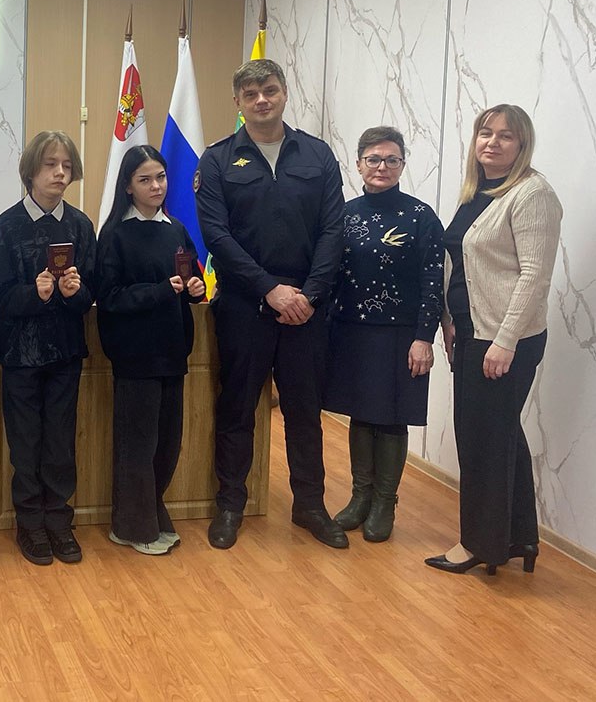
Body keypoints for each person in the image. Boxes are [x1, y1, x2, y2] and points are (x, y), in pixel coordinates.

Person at [195, 59, 347, 550]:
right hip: (245, 305)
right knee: (238, 408)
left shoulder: (318, 155)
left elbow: (333, 229)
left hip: (307, 306)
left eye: (270, 90)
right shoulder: (217, 160)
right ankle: (230, 505)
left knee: (304, 412)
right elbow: (216, 234)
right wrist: (269, 289)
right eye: (251, 93)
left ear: (284, 93)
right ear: (237, 102)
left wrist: (309, 294)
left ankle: (310, 506)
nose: (262, 99)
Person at [426, 104, 562, 576]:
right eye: (486, 133)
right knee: (500, 434)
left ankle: (479, 544)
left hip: (506, 338)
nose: (493, 142)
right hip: (471, 332)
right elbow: (459, 262)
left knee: (482, 441)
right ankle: (520, 536)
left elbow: (534, 275)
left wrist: (505, 341)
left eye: (506, 136)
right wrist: (449, 320)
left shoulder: (532, 194)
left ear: (522, 145)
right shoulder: (478, 192)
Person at [325, 127, 443, 542]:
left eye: (392, 159)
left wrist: (424, 337)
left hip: (402, 336)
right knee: (360, 413)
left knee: (392, 416)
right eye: (373, 159)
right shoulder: (343, 215)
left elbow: (433, 281)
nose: (382, 167)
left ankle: (384, 502)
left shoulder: (421, 217)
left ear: (402, 165)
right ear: (358, 164)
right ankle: (360, 497)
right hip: (352, 331)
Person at [0, 130, 95, 566]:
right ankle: (30, 523)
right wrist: (36, 293)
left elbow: (90, 295)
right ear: (31, 170)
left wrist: (74, 292)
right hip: (20, 355)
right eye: (51, 164)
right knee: (26, 442)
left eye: (66, 166)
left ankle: (59, 522)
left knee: (60, 443)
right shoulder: (8, 224)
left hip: (65, 352)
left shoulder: (80, 225)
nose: (60, 173)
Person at [96, 145, 205, 555]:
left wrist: (195, 288)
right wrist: (159, 291)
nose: (156, 186)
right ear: (128, 186)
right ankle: (131, 527)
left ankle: (152, 515)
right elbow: (109, 297)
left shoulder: (175, 227)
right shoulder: (115, 234)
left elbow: (191, 278)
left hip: (173, 351)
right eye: (145, 179)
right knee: (137, 445)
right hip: (135, 354)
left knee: (166, 443)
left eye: (160, 177)